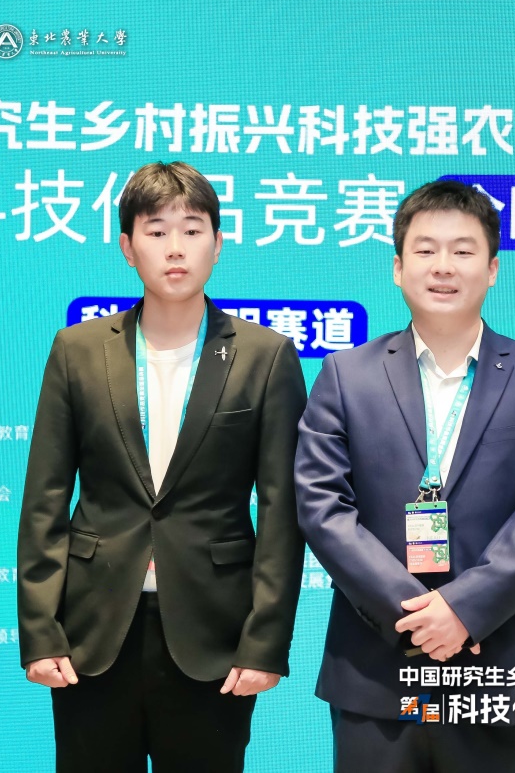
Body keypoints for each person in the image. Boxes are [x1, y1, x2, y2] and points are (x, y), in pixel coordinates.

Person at [17, 161, 307, 773]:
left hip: (213, 636)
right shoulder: (77, 351)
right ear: (127, 248)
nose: (175, 248)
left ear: (218, 244)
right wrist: (40, 631)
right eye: (156, 231)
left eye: (193, 230)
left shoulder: (265, 356)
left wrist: (265, 641)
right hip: (93, 634)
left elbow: (283, 511)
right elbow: (45, 500)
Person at [295, 179, 515, 772]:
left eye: (463, 250)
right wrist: (415, 616)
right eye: (425, 250)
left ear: (493, 268)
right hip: (376, 670)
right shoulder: (347, 375)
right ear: (398, 268)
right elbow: (323, 506)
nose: (444, 266)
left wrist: (463, 609)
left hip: (499, 667)